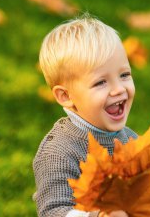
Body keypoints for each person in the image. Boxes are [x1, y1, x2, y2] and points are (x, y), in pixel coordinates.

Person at [33, 15, 137, 217]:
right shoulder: (59, 152)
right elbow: (52, 211)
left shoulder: (132, 140)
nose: (118, 89)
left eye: (124, 75)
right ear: (66, 96)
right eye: (100, 82)